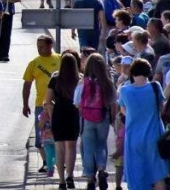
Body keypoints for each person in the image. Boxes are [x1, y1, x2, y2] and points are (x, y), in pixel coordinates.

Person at [118, 58, 170, 190]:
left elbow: (124, 111)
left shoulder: (124, 90)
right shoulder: (155, 87)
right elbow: (161, 108)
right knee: (158, 174)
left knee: (136, 174)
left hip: (133, 139)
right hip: (154, 136)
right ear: (148, 72)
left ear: (132, 72)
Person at [22, 35, 61, 174]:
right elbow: (27, 84)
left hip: (59, 105)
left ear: (50, 45)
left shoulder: (60, 59)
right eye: (38, 47)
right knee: (41, 136)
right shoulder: (34, 63)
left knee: (58, 135)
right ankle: (46, 162)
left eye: (42, 46)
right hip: (41, 105)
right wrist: (25, 104)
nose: (39, 49)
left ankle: (57, 161)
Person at [77, 54, 116, 190]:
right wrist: (112, 118)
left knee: (88, 148)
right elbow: (112, 103)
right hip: (103, 116)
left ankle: (89, 179)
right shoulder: (107, 82)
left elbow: (76, 103)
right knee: (101, 144)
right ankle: (101, 169)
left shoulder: (83, 82)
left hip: (87, 118)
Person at [43, 53, 80, 189]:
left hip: (59, 114)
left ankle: (61, 181)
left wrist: (52, 115)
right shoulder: (79, 79)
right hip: (73, 114)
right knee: (71, 147)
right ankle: (70, 176)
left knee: (59, 148)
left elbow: (47, 101)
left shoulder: (55, 79)